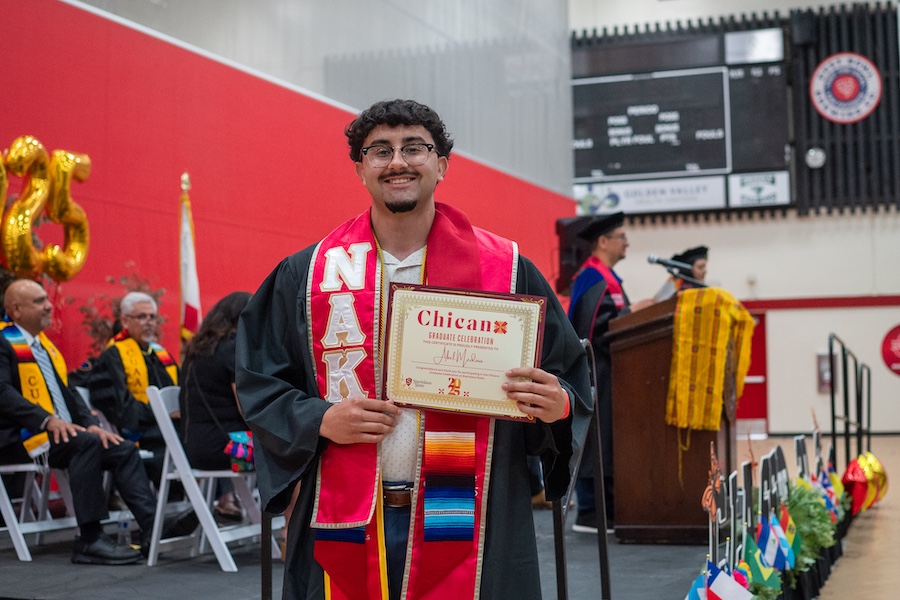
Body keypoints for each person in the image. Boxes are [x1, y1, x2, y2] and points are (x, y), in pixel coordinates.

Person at [236, 99, 592, 600]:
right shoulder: (310, 273)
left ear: (442, 164)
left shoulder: (506, 272)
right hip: (348, 517)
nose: (398, 161)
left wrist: (559, 405)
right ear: (360, 168)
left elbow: (567, 379)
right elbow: (259, 381)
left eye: (414, 148)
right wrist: (319, 419)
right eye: (380, 150)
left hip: (472, 517)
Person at [0, 279, 156, 564]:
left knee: (122, 448)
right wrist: (46, 420)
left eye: (47, 299)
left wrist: (91, 423)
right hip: (18, 437)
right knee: (85, 444)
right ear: (16, 310)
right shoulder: (4, 341)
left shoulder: (43, 347)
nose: (49, 305)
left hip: (60, 435)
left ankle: (153, 528)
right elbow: (2, 392)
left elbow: (68, 393)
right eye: (39, 301)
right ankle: (90, 538)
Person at [567, 211, 652, 534]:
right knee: (598, 439)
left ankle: (608, 508)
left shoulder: (607, 278)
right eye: (622, 237)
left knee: (607, 438)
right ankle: (592, 511)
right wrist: (634, 312)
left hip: (612, 374)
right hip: (596, 375)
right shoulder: (592, 278)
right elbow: (592, 331)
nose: (627, 243)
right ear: (603, 242)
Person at [88, 292, 179, 485]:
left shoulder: (160, 354)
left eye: (152, 317)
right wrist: (162, 414)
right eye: (142, 316)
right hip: (141, 431)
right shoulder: (113, 356)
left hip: (168, 425)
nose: (149, 322)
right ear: (125, 321)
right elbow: (119, 407)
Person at [179, 291, 252, 521]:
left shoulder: (196, 350)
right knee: (295, 453)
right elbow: (248, 408)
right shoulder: (232, 349)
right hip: (228, 450)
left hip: (198, 447)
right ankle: (288, 531)